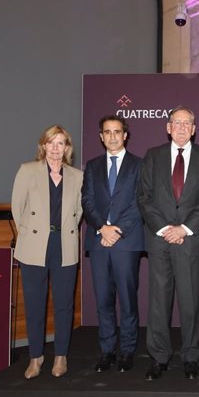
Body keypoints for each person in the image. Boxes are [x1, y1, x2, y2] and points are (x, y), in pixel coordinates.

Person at [137, 106, 199, 380]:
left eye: (187, 123)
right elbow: (144, 197)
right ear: (168, 127)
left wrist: (183, 228)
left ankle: (191, 356)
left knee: (190, 301)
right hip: (160, 240)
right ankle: (159, 357)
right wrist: (164, 228)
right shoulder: (153, 156)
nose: (182, 127)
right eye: (176, 122)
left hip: (189, 240)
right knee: (159, 302)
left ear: (194, 129)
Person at [11, 125, 83, 379]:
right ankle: (36, 357)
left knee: (64, 304)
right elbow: (17, 208)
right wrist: (33, 232)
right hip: (34, 245)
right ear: (43, 146)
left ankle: (61, 356)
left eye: (60, 143)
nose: (55, 148)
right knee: (34, 304)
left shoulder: (77, 176)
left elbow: (78, 212)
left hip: (64, 245)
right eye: (51, 142)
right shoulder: (27, 170)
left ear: (67, 148)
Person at [82, 115, 144, 373]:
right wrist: (101, 227)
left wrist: (116, 231)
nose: (112, 136)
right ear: (100, 136)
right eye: (107, 132)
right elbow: (87, 200)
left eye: (117, 131)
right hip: (98, 241)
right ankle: (107, 350)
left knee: (128, 299)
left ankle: (127, 351)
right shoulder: (93, 165)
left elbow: (140, 201)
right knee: (103, 300)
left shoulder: (139, 165)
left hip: (126, 241)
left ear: (125, 134)